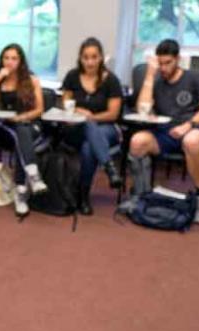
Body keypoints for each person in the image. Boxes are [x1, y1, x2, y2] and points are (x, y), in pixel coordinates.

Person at [128, 39, 199, 223]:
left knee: (191, 141)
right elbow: (142, 108)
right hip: (165, 131)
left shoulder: (194, 77)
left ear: (178, 59)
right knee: (137, 142)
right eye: (160, 63)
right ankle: (141, 195)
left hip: (195, 127)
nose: (164, 68)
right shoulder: (157, 79)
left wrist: (188, 125)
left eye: (168, 63)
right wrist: (150, 77)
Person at [60, 37, 124, 215]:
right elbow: (66, 104)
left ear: (101, 58)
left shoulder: (111, 80)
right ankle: (109, 167)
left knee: (89, 147)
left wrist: (91, 117)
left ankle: (83, 195)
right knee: (88, 140)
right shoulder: (72, 76)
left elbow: (113, 114)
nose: (89, 61)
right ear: (80, 58)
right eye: (85, 57)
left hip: (106, 129)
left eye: (94, 57)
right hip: (75, 129)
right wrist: (79, 112)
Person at [0, 43, 47, 216]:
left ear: (21, 61)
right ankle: (32, 178)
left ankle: (20, 191)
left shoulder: (32, 80)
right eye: (6, 58)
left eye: (14, 58)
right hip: (5, 128)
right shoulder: (0, 81)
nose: (10, 62)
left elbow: (39, 109)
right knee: (21, 136)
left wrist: (21, 118)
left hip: (28, 123)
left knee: (22, 132)